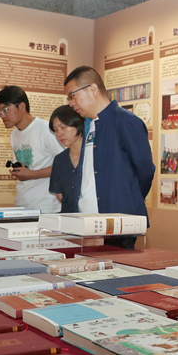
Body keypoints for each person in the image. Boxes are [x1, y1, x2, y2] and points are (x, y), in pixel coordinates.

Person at [64, 66, 154, 249]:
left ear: (93, 89)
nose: (71, 103)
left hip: (117, 224)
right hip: (86, 223)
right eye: (69, 98)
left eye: (73, 95)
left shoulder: (126, 120)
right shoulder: (89, 125)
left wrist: (126, 200)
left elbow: (145, 170)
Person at [0, 85, 64, 214]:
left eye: (5, 110)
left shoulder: (46, 130)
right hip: (22, 203)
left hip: (46, 207)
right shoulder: (14, 134)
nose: (2, 116)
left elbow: (64, 165)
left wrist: (31, 174)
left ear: (22, 106)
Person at [48, 105, 86, 213]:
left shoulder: (92, 154)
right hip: (68, 216)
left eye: (63, 127)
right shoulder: (60, 160)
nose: (59, 134)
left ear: (78, 124)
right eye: (55, 130)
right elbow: (59, 194)